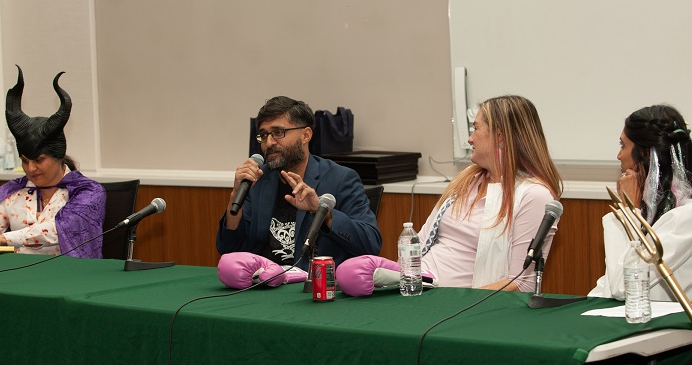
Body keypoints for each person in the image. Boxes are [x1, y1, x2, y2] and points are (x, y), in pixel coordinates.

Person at [336, 95, 563, 296]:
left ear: (500, 135)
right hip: (420, 287)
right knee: (349, 272)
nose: (470, 139)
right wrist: (402, 289)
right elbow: (421, 242)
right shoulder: (468, 178)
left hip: (459, 303)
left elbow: (522, 283)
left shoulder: (534, 195)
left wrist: (454, 301)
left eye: (476, 128)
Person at [216, 96, 381, 288]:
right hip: (264, 290)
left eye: (278, 132)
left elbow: (371, 244)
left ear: (306, 135)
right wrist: (236, 195)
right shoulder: (259, 181)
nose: (269, 142)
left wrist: (324, 213)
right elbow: (229, 250)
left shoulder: (341, 179)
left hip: (314, 290)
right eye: (263, 135)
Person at [0, 65, 106, 258]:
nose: (31, 168)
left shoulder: (87, 192)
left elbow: (60, 229)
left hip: (69, 276)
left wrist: (6, 238)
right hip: (18, 273)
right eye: (25, 161)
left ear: (58, 156)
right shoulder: (14, 192)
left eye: (39, 160)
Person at [589, 104, 692, 302]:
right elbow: (609, 282)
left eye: (623, 146)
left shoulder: (685, 217)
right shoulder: (653, 210)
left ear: (644, 153)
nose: (619, 156)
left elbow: (623, 286)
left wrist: (627, 211)